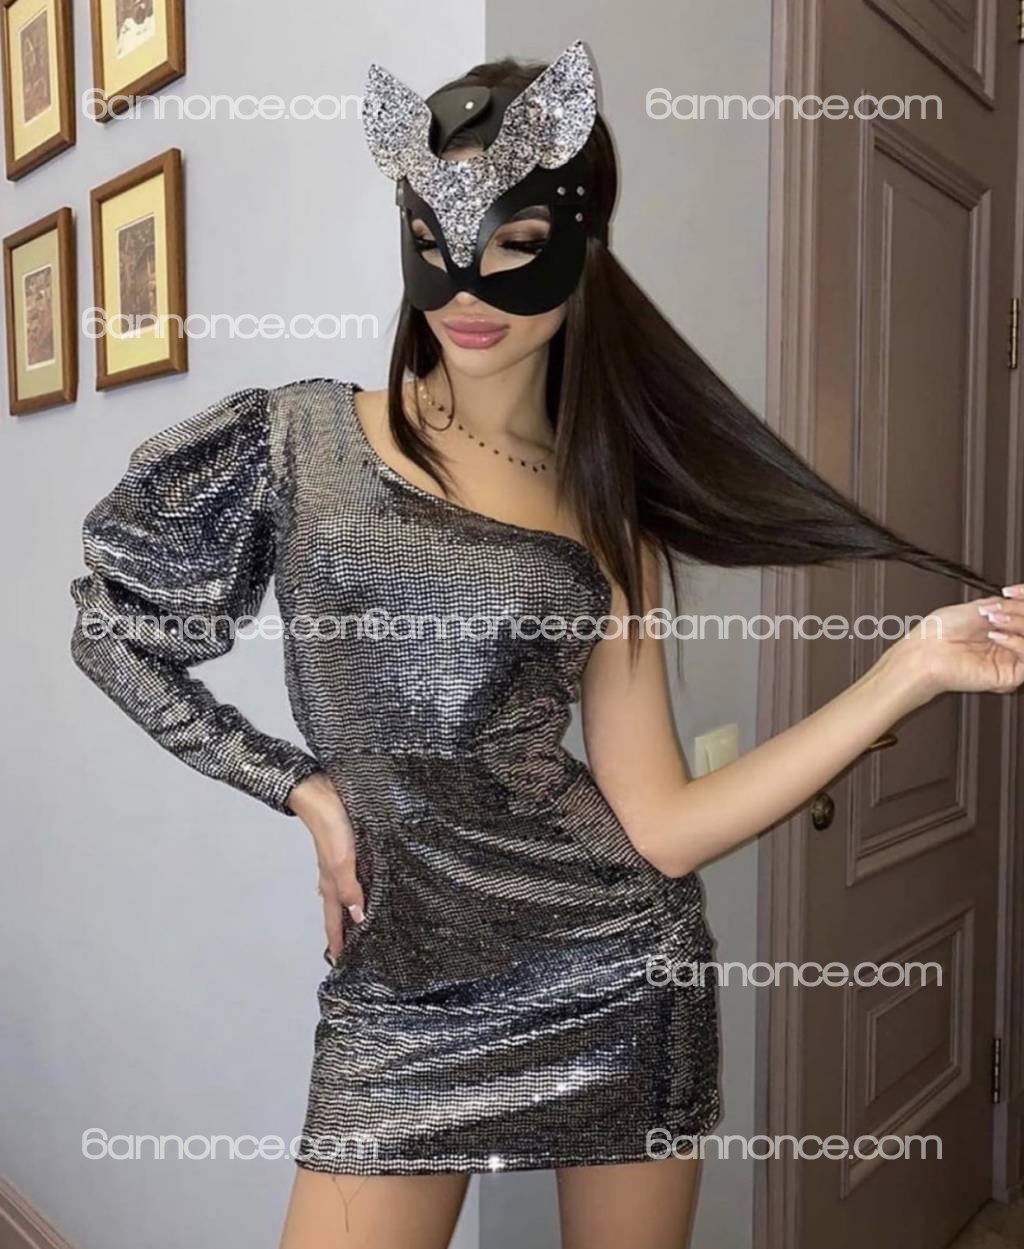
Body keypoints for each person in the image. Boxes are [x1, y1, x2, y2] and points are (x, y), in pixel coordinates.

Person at [68, 40, 1024, 1249]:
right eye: (435, 239)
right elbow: (114, 633)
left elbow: (660, 826)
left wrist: (910, 668)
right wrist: (300, 787)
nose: (469, 286)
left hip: (615, 972)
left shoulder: (607, 518)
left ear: (584, 251)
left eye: (517, 243)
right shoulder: (296, 442)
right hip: (396, 996)